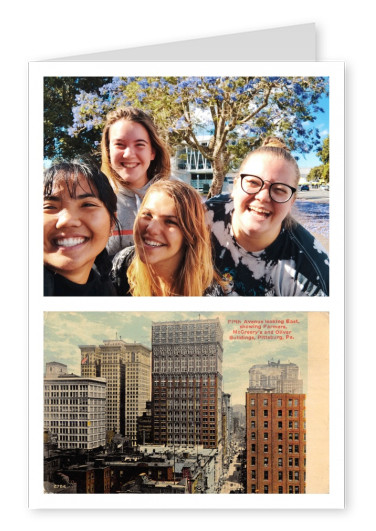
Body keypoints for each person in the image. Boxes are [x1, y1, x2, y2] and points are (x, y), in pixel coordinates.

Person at [206, 137, 329, 296]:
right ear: (235, 186)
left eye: (279, 189)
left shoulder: (311, 273)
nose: (263, 197)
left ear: (292, 201)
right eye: (253, 183)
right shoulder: (202, 217)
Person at [111, 180, 224, 296]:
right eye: (147, 215)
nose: (151, 229)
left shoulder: (209, 293)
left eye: (170, 222)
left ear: (190, 234)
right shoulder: (122, 264)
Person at [101, 106, 171, 257]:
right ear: (108, 151)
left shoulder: (176, 197)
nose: (129, 154)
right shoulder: (96, 200)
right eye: (119, 144)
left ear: (152, 152)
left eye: (139, 144)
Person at [44, 158, 119, 296]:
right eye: (49, 207)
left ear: (112, 224)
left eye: (87, 205)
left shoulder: (106, 291)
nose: (67, 220)